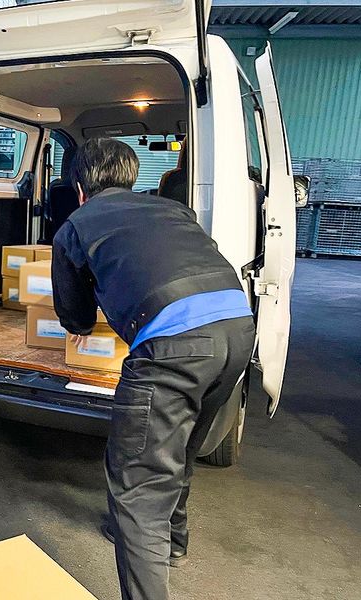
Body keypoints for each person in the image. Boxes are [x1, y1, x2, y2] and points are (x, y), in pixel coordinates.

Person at [51, 138, 256, 600]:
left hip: (173, 347)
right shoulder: (172, 210)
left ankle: (152, 550)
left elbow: (75, 313)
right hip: (237, 331)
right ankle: (174, 541)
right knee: (178, 448)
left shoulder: (76, 226)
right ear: (132, 178)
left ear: (80, 188)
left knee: (138, 487)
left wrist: (83, 321)